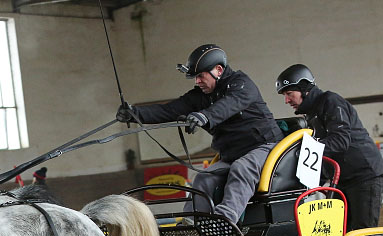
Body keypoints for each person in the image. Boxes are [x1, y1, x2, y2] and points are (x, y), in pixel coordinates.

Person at [116, 44, 283, 222]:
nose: (197, 81)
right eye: (195, 77)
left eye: (200, 76)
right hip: (233, 156)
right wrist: (134, 114)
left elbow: (229, 104)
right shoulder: (200, 96)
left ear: (218, 70)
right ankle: (191, 226)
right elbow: (169, 110)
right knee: (203, 177)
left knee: (242, 168)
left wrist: (205, 115)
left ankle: (223, 224)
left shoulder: (242, 85)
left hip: (265, 148)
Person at [276, 64, 383, 231]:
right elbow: (323, 151)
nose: (287, 100)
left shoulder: (331, 101)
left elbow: (340, 141)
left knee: (362, 232)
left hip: (364, 175)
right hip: (342, 179)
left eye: (289, 94)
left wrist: (304, 151)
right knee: (337, 231)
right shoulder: (311, 114)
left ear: (304, 88)